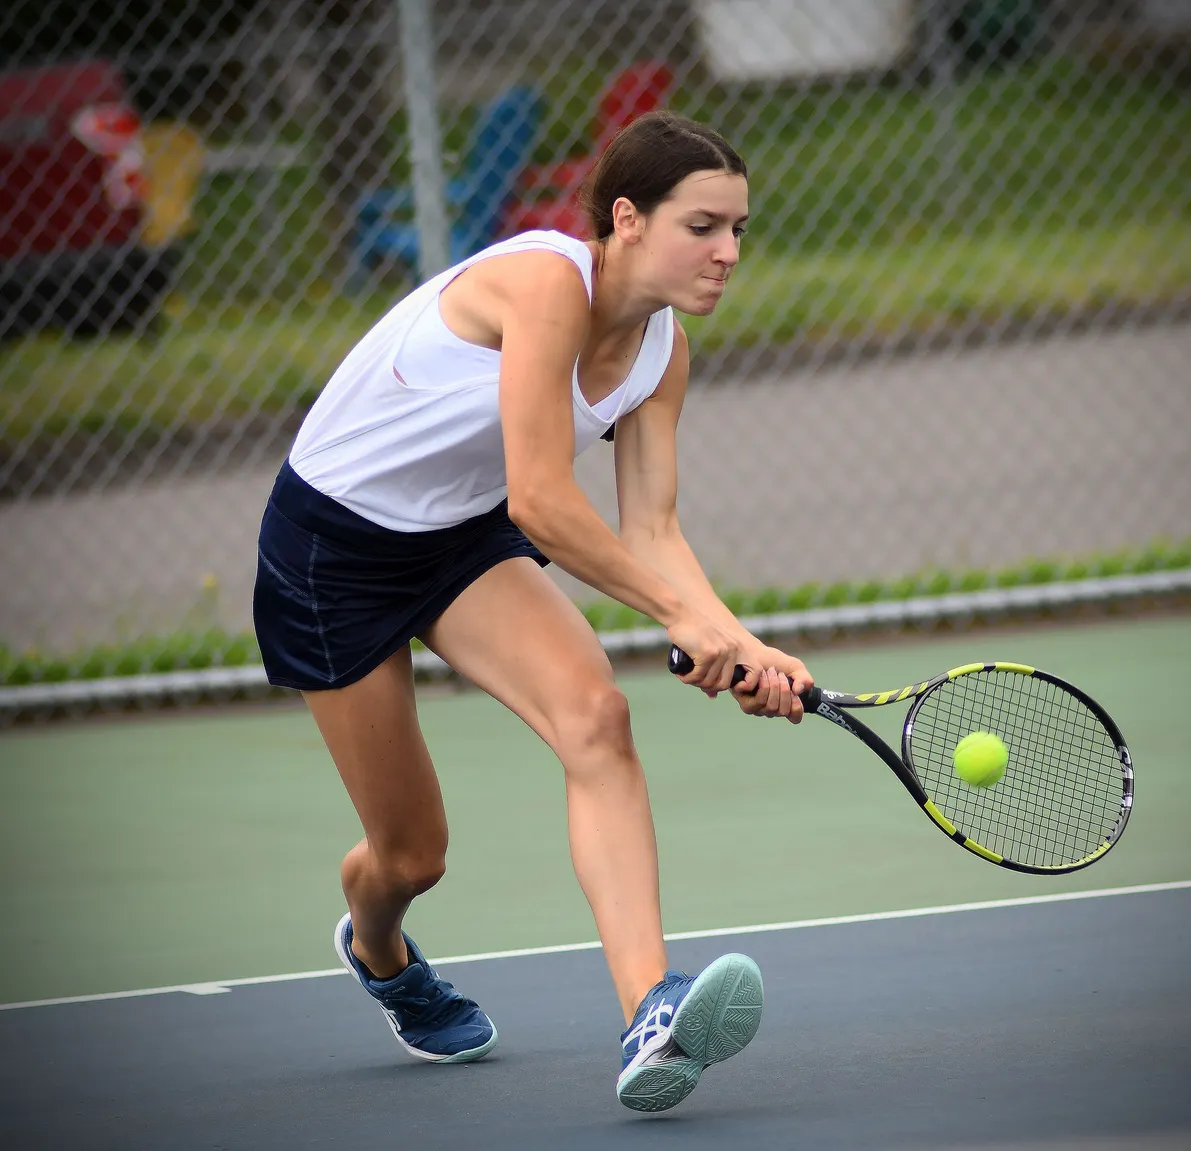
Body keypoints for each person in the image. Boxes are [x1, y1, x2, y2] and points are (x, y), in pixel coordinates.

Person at [252, 110, 813, 1114]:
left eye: (738, 230)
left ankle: (650, 1006)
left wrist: (740, 639)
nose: (727, 252)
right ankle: (377, 946)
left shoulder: (661, 350)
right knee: (412, 853)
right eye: (703, 227)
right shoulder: (547, 281)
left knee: (597, 717)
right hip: (331, 548)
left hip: (458, 535)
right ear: (627, 219)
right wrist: (690, 626)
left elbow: (652, 530)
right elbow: (543, 501)